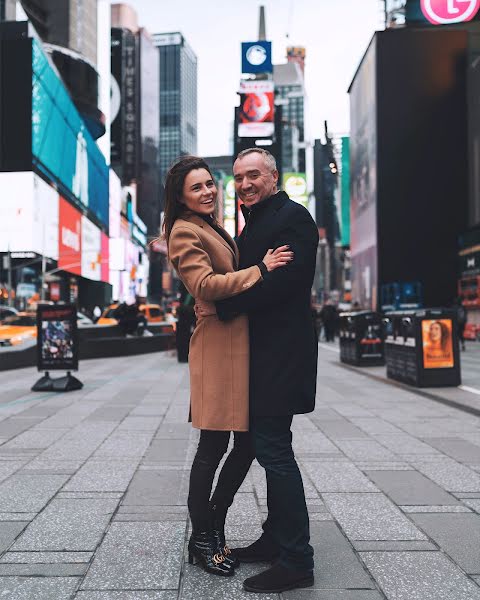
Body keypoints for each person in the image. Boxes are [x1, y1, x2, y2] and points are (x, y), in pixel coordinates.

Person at [196, 148, 319, 594]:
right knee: (270, 449)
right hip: (262, 355)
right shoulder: (257, 222)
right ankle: (275, 539)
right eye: (239, 178)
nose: (245, 184)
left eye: (253, 176)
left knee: (274, 450)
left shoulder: (293, 218)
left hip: (281, 355)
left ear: (273, 176)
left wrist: (225, 304)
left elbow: (281, 287)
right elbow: (255, 277)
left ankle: (297, 561)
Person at [164, 156, 292, 578]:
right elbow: (203, 285)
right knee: (213, 445)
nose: (208, 191)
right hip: (217, 346)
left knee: (248, 442)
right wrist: (260, 269)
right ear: (181, 198)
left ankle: (214, 523)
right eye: (196, 187)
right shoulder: (185, 230)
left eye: (208, 184)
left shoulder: (209, 226)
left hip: (237, 343)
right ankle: (203, 538)